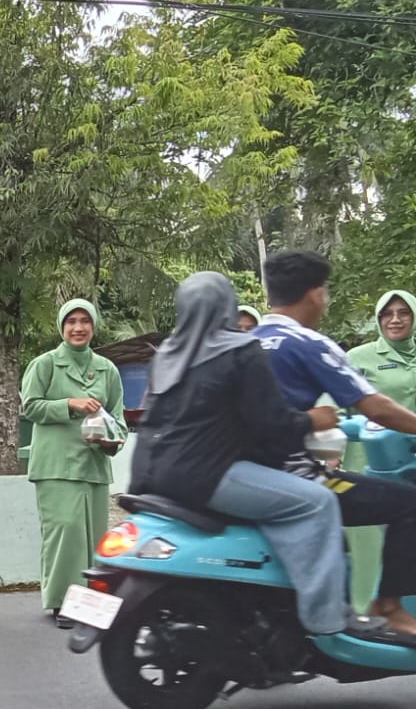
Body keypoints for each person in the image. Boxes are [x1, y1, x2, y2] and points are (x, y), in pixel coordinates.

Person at [129, 272, 402, 642]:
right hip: (209, 474)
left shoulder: (167, 355)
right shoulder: (240, 351)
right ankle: (329, 618)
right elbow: (272, 424)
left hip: (154, 475)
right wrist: (314, 420)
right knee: (318, 501)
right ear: (227, 307)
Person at [254, 250, 416, 635]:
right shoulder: (310, 343)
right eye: (324, 291)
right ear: (314, 294)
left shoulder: (244, 341)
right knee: (410, 505)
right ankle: (389, 606)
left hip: (245, 474)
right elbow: (376, 407)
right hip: (297, 475)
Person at [20, 299, 126, 629]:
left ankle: (91, 603)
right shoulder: (45, 364)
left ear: (93, 326)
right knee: (65, 531)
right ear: (61, 327)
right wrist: (70, 404)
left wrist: (111, 440)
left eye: (85, 321)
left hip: (93, 466)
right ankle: (63, 603)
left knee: (94, 537)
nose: (78, 328)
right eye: (71, 321)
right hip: (55, 465)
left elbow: (119, 420)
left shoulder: (107, 369)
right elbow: (30, 407)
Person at [339, 291, 416, 605]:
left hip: (411, 464)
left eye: (403, 312)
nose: (395, 320)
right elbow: (335, 409)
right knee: (370, 543)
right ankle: (365, 610)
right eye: (387, 313)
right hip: (370, 463)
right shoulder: (359, 357)